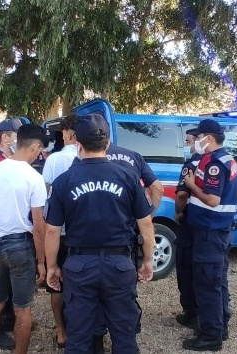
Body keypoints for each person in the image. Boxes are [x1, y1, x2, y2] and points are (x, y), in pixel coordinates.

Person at [45, 114, 155, 354]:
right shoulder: (128, 177)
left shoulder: (64, 181)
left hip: (79, 266)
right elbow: (146, 225)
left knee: (80, 337)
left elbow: (52, 230)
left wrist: (52, 266)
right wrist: (147, 260)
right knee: (124, 335)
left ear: (77, 144)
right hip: (119, 265)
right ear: (106, 144)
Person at [0, 124, 48, 354]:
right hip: (21, 246)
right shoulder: (34, 178)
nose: (39, 155)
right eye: (40, 150)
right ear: (34, 146)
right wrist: (42, 262)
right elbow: (38, 226)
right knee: (22, 308)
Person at [182, 119, 237, 351]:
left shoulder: (215, 163)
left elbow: (212, 199)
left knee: (207, 283)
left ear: (209, 137)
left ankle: (211, 336)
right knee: (217, 281)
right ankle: (219, 325)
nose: (196, 141)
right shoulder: (226, 159)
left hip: (211, 231)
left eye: (199, 137)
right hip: (219, 230)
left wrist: (191, 185)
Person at [41, 113, 79, 348]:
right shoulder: (92, 155)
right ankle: (83, 329)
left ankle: (62, 331)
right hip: (82, 233)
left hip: (59, 230)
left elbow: (47, 195)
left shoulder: (55, 160)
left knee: (56, 283)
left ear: (67, 134)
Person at [174, 128, 201, 328]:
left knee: (186, 266)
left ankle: (192, 312)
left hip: (191, 221)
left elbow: (182, 195)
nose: (186, 144)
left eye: (189, 140)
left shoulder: (191, 164)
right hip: (209, 225)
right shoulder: (220, 161)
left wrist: (178, 212)